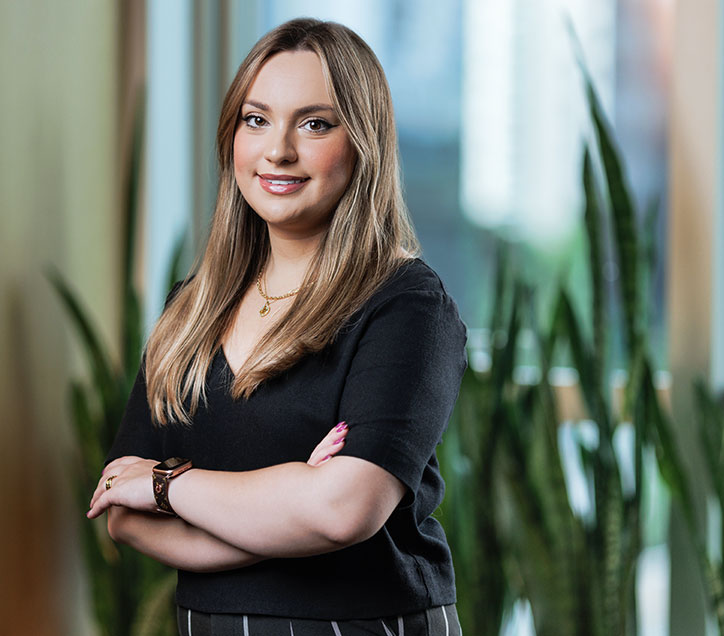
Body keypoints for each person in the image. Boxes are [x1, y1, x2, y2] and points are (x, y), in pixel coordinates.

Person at [87, 17, 466, 636]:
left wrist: (165, 485)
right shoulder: (194, 306)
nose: (278, 150)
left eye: (315, 123)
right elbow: (121, 513)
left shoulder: (406, 305)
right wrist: (293, 509)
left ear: (363, 142)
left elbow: (344, 511)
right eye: (255, 119)